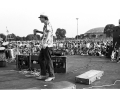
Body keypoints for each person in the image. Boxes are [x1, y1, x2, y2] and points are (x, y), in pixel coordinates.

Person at [33, 14, 55, 81]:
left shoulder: (48, 24)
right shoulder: (45, 25)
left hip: (47, 45)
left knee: (48, 60)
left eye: (40, 18)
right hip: (44, 45)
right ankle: (43, 74)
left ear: (44, 18)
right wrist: (38, 31)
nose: (40, 19)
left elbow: (48, 34)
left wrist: (45, 42)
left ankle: (51, 75)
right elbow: (45, 33)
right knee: (40, 59)